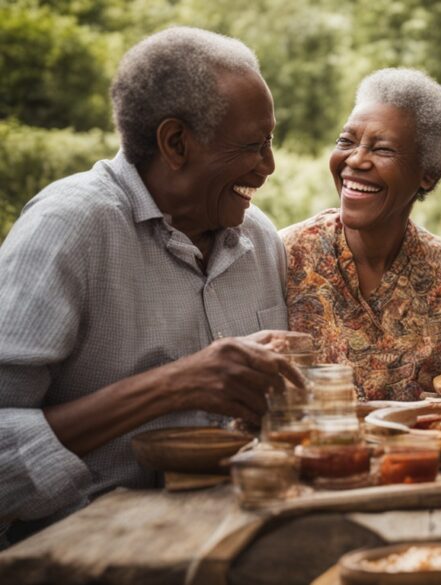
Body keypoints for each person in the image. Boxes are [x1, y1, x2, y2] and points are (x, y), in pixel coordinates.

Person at [0, 27, 302, 546]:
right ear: (175, 143)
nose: (268, 167)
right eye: (253, 146)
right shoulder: (70, 226)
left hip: (241, 538)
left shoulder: (260, 238)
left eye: (270, 143)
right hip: (92, 553)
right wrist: (173, 385)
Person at [282, 69, 441, 401]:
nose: (356, 159)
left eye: (383, 149)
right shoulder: (288, 255)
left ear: (427, 176)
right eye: (346, 141)